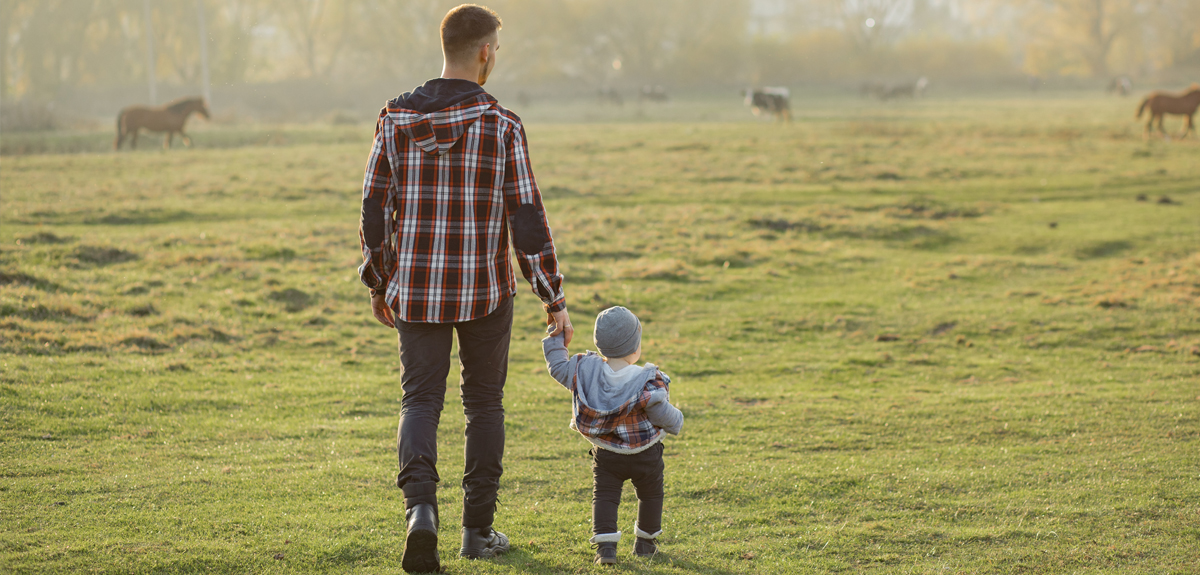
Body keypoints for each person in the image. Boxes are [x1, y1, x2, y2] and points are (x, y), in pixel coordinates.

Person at [357, 4, 573, 573]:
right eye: (496, 49)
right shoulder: (502, 124)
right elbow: (526, 218)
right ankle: (476, 531)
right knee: (484, 405)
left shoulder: (394, 119)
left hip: (417, 291)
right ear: (483, 51)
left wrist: (380, 279)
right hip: (485, 291)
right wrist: (552, 296)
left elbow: (374, 211)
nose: (495, 57)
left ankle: (420, 514)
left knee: (419, 401)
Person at [542, 306, 683, 565]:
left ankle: (605, 549)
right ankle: (645, 543)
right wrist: (678, 421)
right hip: (646, 454)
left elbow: (558, 367)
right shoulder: (646, 379)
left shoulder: (586, 372)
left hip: (607, 454)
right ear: (635, 346)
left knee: (605, 496)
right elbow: (662, 413)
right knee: (650, 495)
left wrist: (556, 338)